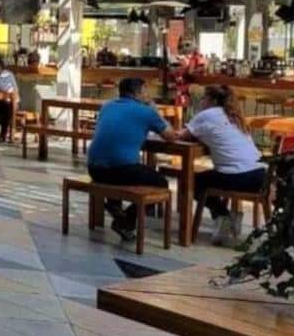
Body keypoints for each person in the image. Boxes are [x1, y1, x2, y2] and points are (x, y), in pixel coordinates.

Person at [87, 78, 178, 241]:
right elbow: (171, 136)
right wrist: (154, 110)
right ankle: (126, 221)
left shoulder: (107, 106)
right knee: (161, 183)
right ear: (138, 93)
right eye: (145, 91)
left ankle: (115, 206)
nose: (147, 94)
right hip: (121, 170)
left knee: (124, 168)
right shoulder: (146, 112)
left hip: (94, 169)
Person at [180, 85, 266, 245]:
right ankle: (230, 217)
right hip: (261, 176)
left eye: (204, 98)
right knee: (210, 175)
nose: (201, 102)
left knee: (191, 180)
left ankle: (222, 215)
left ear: (212, 100)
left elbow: (182, 137)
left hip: (237, 177)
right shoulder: (234, 116)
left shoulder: (207, 115)